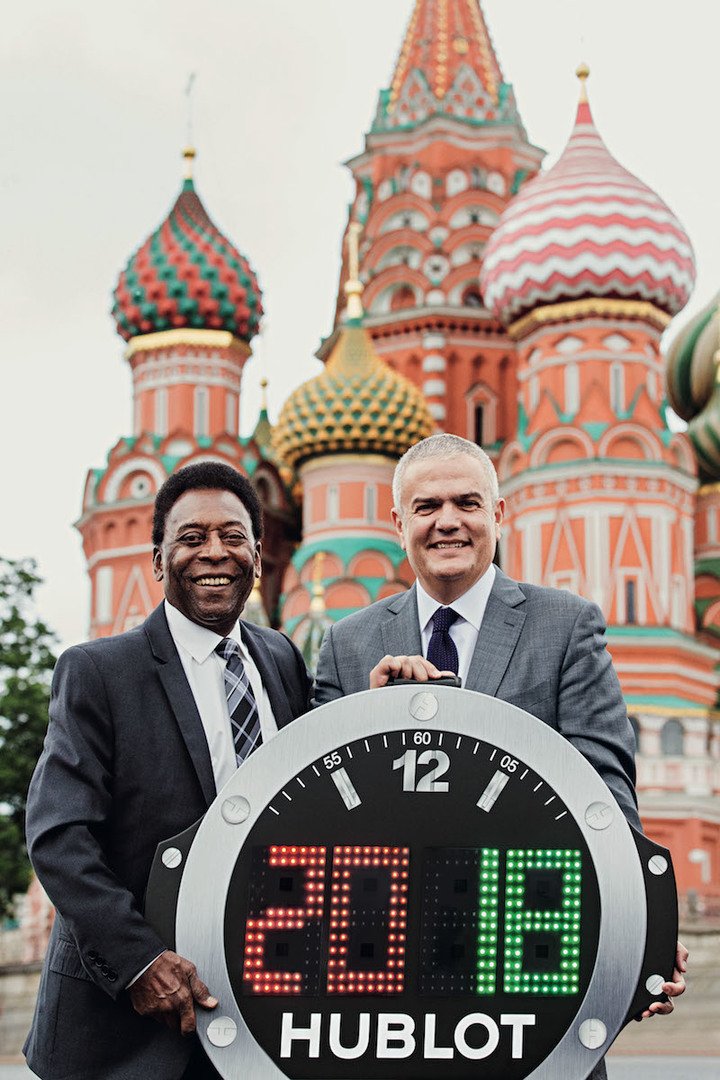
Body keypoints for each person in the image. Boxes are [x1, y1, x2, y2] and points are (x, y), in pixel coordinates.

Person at [315, 433, 687, 1079]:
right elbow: (316, 804)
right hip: (384, 967)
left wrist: (641, 924)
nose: (448, 522)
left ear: (499, 513)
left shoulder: (564, 624)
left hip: (527, 947)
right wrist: (367, 721)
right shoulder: (350, 644)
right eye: (427, 506)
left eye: (467, 502)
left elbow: (604, 783)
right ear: (397, 522)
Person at [24, 462, 313, 1080]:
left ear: (259, 557)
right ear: (158, 560)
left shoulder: (282, 658)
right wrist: (139, 961)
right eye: (192, 537)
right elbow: (58, 837)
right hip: (126, 1032)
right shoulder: (99, 671)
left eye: (233, 537)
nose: (215, 553)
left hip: (256, 1008)